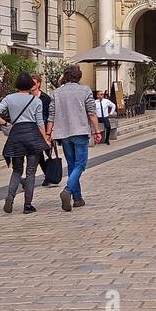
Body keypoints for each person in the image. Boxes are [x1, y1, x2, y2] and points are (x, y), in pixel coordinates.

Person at [0, 72, 49, 214]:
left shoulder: (9, 98)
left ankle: (10, 196)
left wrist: (6, 123)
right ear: (30, 84)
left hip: (16, 135)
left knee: (17, 170)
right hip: (33, 136)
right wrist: (45, 139)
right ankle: (27, 205)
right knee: (30, 172)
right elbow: (40, 123)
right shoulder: (36, 101)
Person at [46, 64, 101, 212]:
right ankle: (68, 189)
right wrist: (97, 131)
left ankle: (77, 198)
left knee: (72, 164)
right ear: (79, 76)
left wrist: (48, 133)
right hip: (80, 131)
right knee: (80, 164)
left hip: (63, 134)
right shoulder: (85, 90)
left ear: (65, 76)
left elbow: (51, 116)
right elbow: (92, 113)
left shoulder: (56, 92)